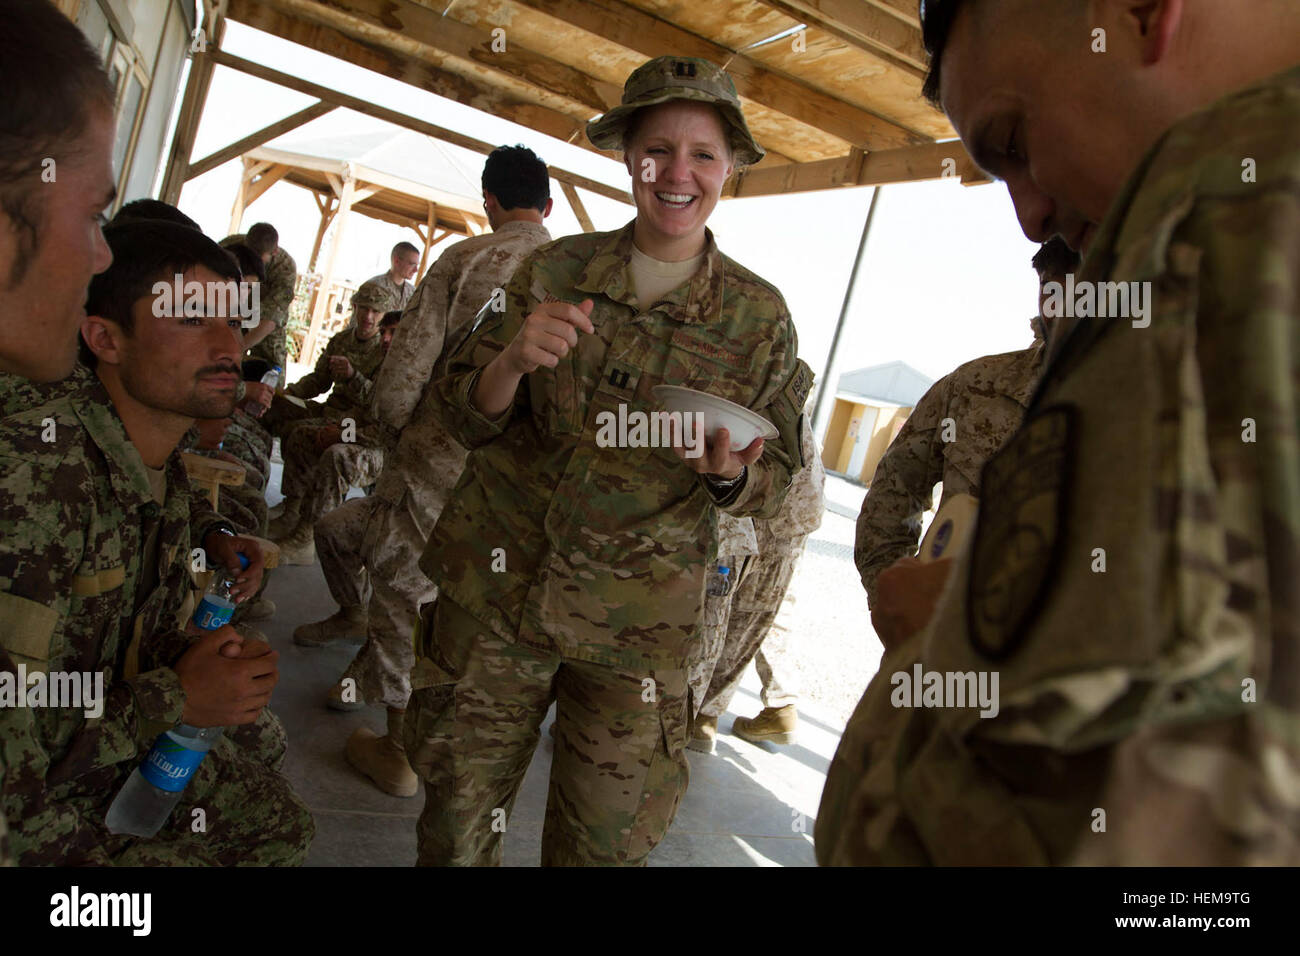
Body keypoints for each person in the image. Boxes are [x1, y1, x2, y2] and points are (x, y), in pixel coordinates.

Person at [817, 0, 1300, 866]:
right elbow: (894, 485)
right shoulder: (977, 381)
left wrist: (939, 637)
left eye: (1014, 140)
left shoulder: (1222, 211)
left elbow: (948, 831)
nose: (1030, 216)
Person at [407, 56, 812, 866]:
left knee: (604, 852)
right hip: (497, 599)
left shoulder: (758, 318)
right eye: (656, 149)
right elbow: (457, 412)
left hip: (640, 637)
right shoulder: (553, 271)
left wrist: (730, 474)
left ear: (729, 167)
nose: (678, 172)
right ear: (630, 157)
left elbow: (779, 476)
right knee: (455, 831)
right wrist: (510, 363)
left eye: (702, 153)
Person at [0, 219, 313, 864]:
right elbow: (15, 732)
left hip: (86, 725)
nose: (231, 346)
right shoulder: (38, 481)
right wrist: (176, 696)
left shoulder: (149, 446)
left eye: (235, 321)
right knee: (269, 835)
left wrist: (215, 540)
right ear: (105, 338)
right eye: (194, 319)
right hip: (20, 809)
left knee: (265, 763)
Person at [299, 145, 554, 801]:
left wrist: (393, 436)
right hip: (523, 490)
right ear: (549, 207)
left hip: (439, 468)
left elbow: (398, 384)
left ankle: (398, 751)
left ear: (489, 201)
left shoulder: (462, 261)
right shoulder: (580, 275)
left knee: (402, 589)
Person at [856, 238, 1077, 645]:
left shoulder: (1161, 415)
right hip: (939, 655)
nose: (1064, 313)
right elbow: (894, 490)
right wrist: (897, 595)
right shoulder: (975, 387)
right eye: (1053, 293)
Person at [694, 416, 825, 750]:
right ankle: (705, 716)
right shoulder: (783, 377)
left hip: (753, 499)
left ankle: (695, 713)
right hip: (790, 504)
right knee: (753, 615)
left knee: (717, 612)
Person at [265, 280, 397, 551]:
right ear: (355, 308)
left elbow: (375, 411)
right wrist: (288, 393)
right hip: (338, 412)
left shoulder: (390, 357)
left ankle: (307, 532)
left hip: (357, 421)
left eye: (376, 312)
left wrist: (352, 378)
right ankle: (294, 506)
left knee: (308, 437)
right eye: (363, 309)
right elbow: (318, 381)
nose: (368, 317)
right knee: (280, 413)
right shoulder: (342, 340)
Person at [221, 222, 296, 371]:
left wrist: (238, 349)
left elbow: (271, 320)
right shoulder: (229, 247)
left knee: (272, 372)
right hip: (229, 308)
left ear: (274, 252)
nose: (252, 261)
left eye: (258, 258)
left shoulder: (285, 267)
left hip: (264, 316)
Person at [367, 241, 420, 312]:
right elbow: (357, 320)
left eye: (417, 265)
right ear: (397, 261)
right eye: (412, 264)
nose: (416, 270)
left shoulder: (413, 293)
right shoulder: (373, 287)